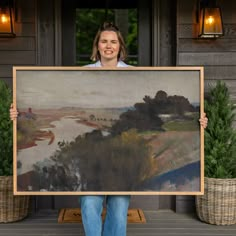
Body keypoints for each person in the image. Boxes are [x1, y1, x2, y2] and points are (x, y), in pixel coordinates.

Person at [10, 22, 208, 236]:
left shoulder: (134, 74)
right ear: (97, 46)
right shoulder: (82, 74)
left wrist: (198, 118)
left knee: (119, 205)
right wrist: (17, 114)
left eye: (113, 42)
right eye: (104, 41)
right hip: (92, 157)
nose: (108, 46)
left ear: (120, 47)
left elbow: (155, 112)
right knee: (89, 202)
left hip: (120, 156)